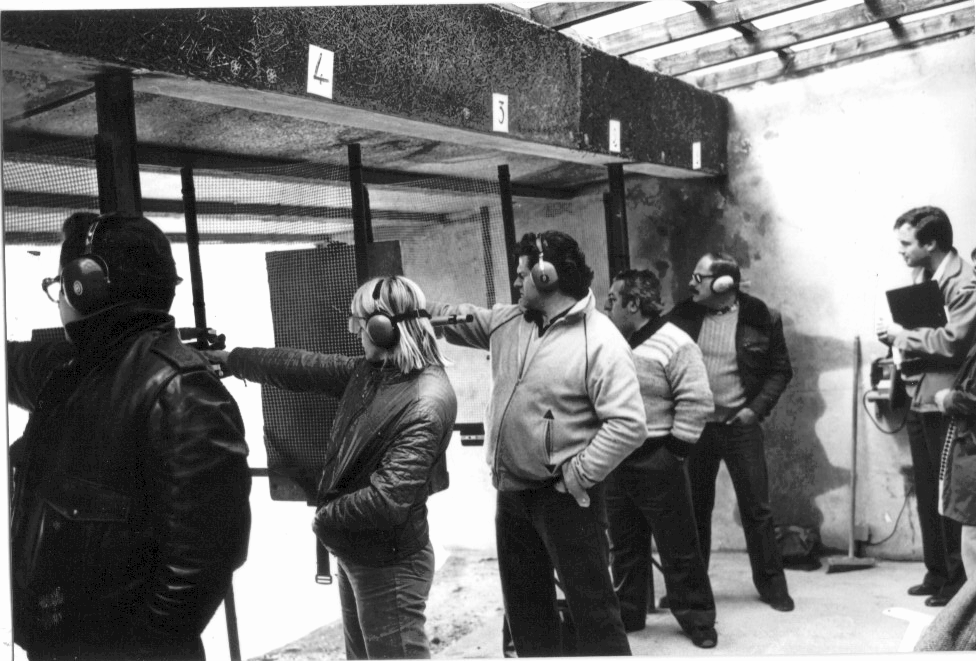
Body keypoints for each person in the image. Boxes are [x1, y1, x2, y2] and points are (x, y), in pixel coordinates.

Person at [7, 212, 252, 661]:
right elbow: (15, 365)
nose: (59, 297)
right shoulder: (73, 368)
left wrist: (137, 650)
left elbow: (202, 565)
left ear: (86, 285)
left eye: (59, 284)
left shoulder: (182, 390)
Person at [207, 275, 457, 659]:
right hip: (361, 552)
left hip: (389, 566)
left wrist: (325, 519)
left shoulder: (425, 402)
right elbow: (303, 367)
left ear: (384, 328)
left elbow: (387, 501)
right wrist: (233, 360)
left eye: (360, 321)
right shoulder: (375, 372)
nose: (354, 330)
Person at [428, 230, 646, 656]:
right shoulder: (509, 321)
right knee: (526, 616)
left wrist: (577, 475)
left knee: (594, 614)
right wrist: (411, 309)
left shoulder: (601, 340)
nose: (516, 281)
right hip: (512, 495)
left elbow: (628, 424)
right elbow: (459, 317)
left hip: (566, 500)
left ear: (547, 276)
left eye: (521, 273)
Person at [667, 251, 795, 612]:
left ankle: (773, 587)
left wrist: (755, 410)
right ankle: (692, 590)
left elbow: (780, 370)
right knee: (694, 511)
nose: (691, 283)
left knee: (757, 510)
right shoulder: (682, 315)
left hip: (740, 428)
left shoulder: (761, 317)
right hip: (696, 427)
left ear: (723, 284)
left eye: (699, 277)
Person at [603, 269, 719, 648]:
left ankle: (698, 620)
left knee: (679, 546)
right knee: (624, 546)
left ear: (633, 304)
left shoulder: (676, 342)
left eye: (613, 299)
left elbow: (697, 400)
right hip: (616, 459)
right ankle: (629, 612)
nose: (606, 306)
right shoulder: (613, 343)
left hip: (658, 459)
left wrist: (672, 455)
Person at [876, 207, 976, 607]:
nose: (900, 250)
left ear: (931, 242)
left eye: (906, 243)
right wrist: (896, 338)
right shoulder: (925, 275)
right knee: (926, 489)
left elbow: (955, 341)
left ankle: (955, 582)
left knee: (946, 493)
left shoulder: (964, 282)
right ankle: (936, 572)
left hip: (944, 401)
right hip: (921, 396)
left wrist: (903, 336)